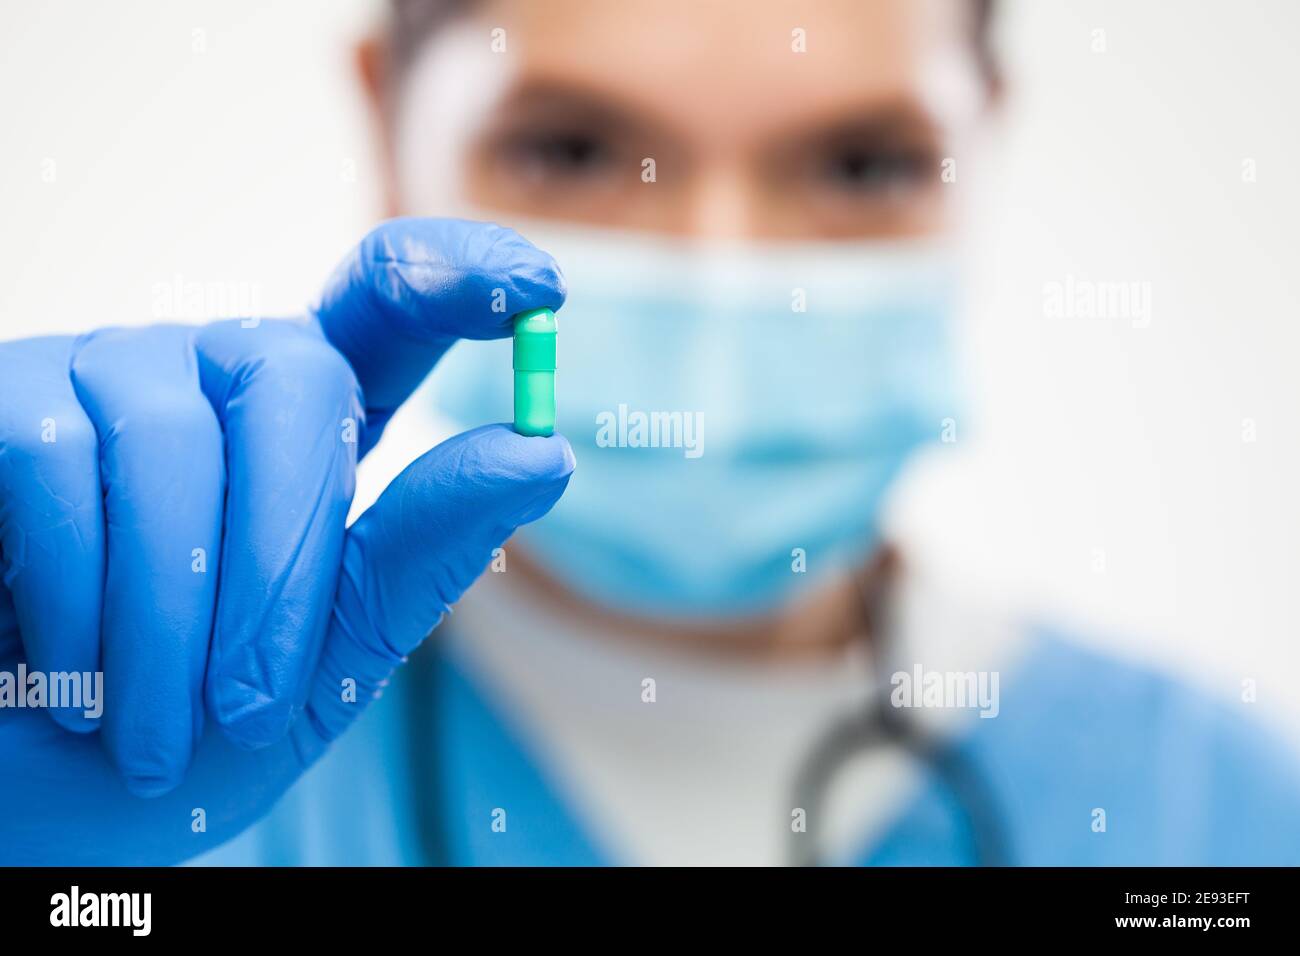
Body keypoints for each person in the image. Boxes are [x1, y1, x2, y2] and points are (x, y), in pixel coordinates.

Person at [2, 0, 1298, 866]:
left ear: (985, 142)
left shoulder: (1215, 819)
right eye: (574, 148)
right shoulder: (148, 754)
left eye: (861, 167)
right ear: (387, 122)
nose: (726, 281)